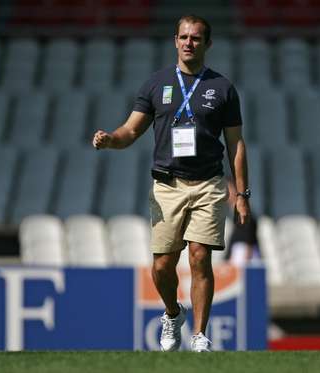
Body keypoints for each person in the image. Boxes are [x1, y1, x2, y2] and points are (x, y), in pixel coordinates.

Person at [92, 15, 250, 352]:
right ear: (175, 41)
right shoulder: (155, 84)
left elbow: (236, 143)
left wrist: (242, 194)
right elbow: (130, 130)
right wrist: (110, 140)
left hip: (208, 184)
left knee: (199, 257)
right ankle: (172, 312)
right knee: (163, 265)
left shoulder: (222, 88)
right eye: (183, 37)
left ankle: (199, 335)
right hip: (166, 186)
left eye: (195, 38)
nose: (189, 43)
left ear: (208, 44)